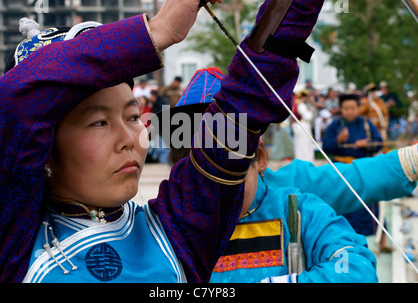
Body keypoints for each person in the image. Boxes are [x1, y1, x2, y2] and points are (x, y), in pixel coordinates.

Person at [0, 0, 327, 283]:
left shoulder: (177, 232)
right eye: (99, 122)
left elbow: (247, 98)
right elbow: (11, 104)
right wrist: (156, 32)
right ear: (43, 147)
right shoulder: (8, 243)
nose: (130, 138)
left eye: (132, 116)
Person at [162, 69, 418, 283]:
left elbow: (354, 266)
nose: (211, 189)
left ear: (259, 157)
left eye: (227, 172)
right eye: (193, 177)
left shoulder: (297, 205)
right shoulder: (161, 222)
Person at [323, 93, 384, 242]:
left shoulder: (366, 123)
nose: (349, 111)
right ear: (341, 109)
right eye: (346, 108)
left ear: (358, 108)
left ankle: (381, 238)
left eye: (352, 108)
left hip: (362, 170)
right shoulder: (336, 125)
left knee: (368, 203)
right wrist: (338, 139)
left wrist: (367, 143)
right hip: (342, 171)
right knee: (344, 203)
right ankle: (343, 237)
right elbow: (325, 147)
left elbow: (379, 143)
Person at [292, 90, 315, 162]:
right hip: (302, 126)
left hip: (297, 125)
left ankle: (300, 159)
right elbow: (308, 117)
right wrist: (310, 111)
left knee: (299, 144)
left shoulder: (296, 104)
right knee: (304, 144)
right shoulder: (301, 105)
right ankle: (305, 159)